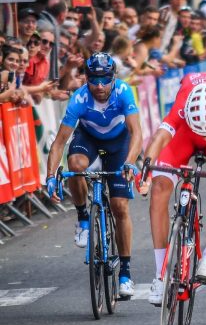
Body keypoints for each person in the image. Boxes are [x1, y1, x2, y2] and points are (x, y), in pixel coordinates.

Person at [141, 74, 206, 305]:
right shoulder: (183, 101)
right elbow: (160, 138)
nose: (204, 135)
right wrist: (146, 173)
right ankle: (160, 275)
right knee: (159, 189)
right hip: (185, 134)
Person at [45, 53, 143, 298]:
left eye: (105, 80)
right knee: (75, 164)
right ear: (86, 78)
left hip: (119, 142)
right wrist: (50, 176)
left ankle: (125, 273)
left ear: (113, 77)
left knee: (120, 206)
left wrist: (130, 163)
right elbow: (58, 143)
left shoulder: (123, 92)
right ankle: (83, 218)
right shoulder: (79, 98)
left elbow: (137, 133)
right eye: (94, 80)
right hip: (88, 138)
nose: (100, 86)